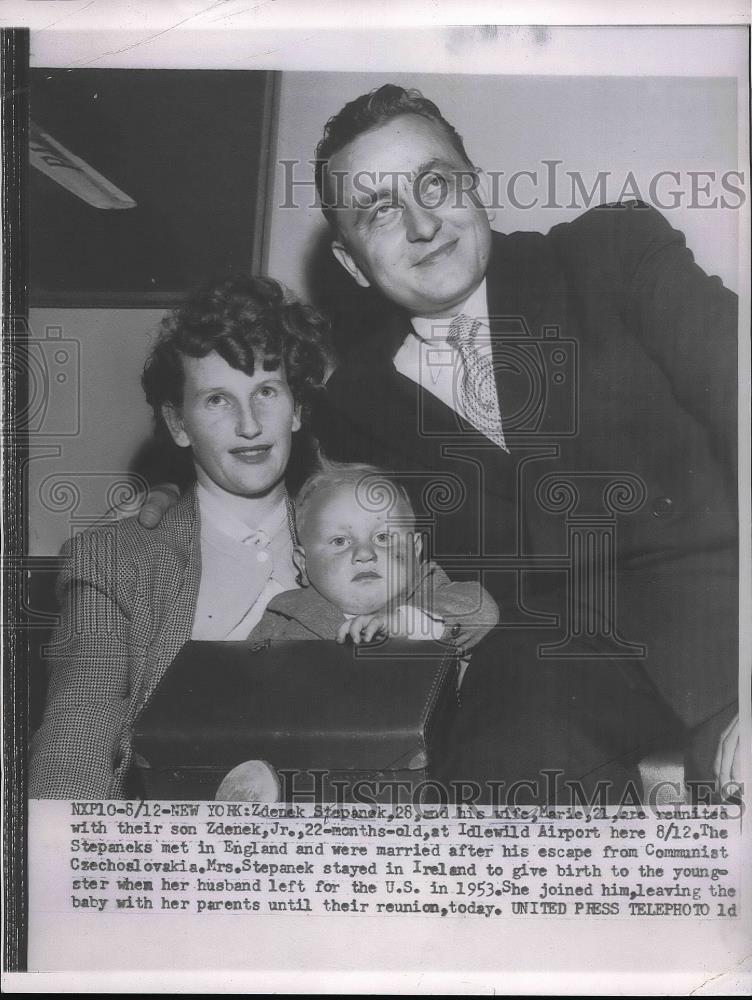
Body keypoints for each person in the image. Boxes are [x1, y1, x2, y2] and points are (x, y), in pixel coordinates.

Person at [137, 86, 739, 798]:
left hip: (726, 620)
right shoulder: (352, 404)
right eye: (382, 210)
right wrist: (161, 513)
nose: (423, 223)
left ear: (475, 187)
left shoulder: (612, 255)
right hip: (543, 669)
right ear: (354, 262)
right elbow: (303, 507)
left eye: (435, 184)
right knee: (488, 790)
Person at [29, 274, 332, 798]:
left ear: (297, 408)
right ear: (178, 423)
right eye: (217, 400)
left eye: (266, 390)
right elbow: (74, 747)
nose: (250, 424)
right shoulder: (113, 561)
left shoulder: (362, 535)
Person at [249, 460, 499, 645]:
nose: (365, 553)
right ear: (304, 565)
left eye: (383, 537)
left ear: (415, 551)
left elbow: (480, 609)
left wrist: (404, 621)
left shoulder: (431, 592)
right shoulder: (284, 615)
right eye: (339, 541)